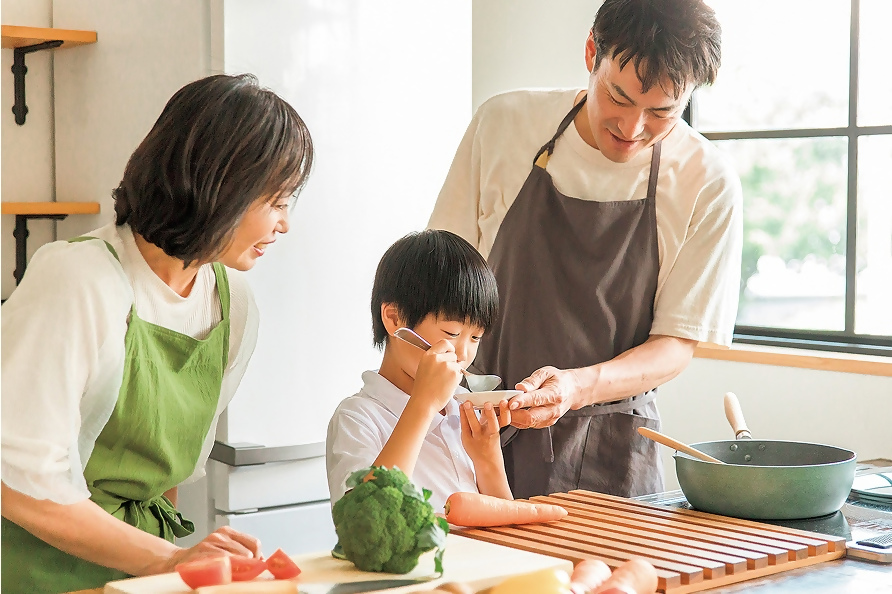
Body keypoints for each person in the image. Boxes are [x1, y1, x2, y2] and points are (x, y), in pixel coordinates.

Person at [1, 74, 314, 593]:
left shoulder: (233, 305)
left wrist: (170, 565)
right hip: (39, 573)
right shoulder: (78, 279)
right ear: (220, 186)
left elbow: (166, 482)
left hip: (142, 576)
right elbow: (17, 481)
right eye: (276, 202)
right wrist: (166, 559)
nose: (284, 225)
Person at [428, 0, 743, 499]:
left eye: (661, 111)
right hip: (478, 437)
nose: (631, 128)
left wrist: (574, 387)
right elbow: (439, 288)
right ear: (592, 52)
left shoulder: (706, 180)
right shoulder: (504, 125)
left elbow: (675, 345)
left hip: (614, 459)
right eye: (618, 96)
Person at [326, 230, 512, 512]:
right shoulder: (357, 418)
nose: (463, 354)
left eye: (475, 338)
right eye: (451, 333)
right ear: (394, 319)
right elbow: (369, 521)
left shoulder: (462, 411)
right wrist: (423, 404)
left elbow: (506, 521)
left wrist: (488, 459)